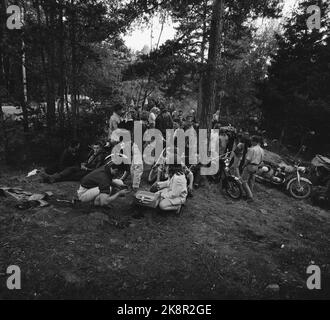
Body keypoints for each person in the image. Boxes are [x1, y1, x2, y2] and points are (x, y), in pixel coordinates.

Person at [41, 142, 105, 183]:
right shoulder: (93, 153)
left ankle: (51, 178)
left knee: (71, 174)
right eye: (94, 148)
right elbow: (87, 161)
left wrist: (86, 169)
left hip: (88, 172)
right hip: (83, 168)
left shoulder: (100, 156)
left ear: (101, 148)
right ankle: (51, 178)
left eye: (97, 148)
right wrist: (83, 164)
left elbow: (96, 170)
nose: (95, 150)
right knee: (70, 169)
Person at [241, 136, 264, 202]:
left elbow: (248, 159)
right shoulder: (262, 150)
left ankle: (250, 196)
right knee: (251, 181)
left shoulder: (252, 149)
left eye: (252, 141)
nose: (251, 142)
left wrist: (244, 165)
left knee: (244, 181)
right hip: (256, 166)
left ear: (254, 141)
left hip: (250, 166)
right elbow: (262, 160)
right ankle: (248, 195)